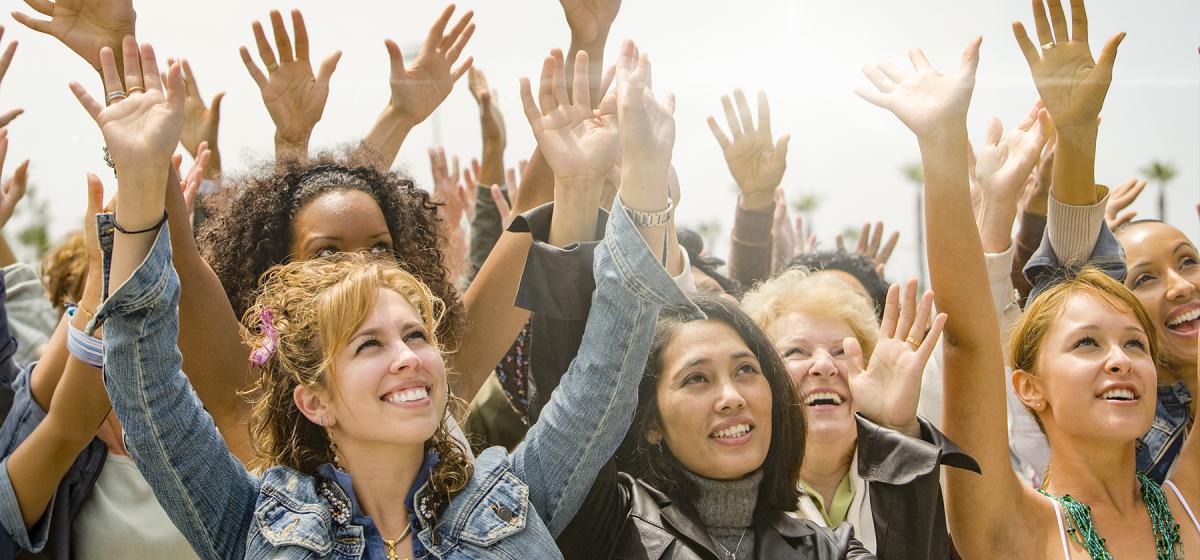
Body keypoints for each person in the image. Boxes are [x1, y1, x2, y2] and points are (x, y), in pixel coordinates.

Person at [71, 37, 693, 558]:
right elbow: (143, 380)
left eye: (417, 335)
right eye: (369, 343)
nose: (408, 358)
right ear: (312, 397)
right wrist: (142, 183)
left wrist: (641, 182)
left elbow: (608, 368)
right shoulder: (248, 520)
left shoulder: (512, 500)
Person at [856, 0, 1200, 556]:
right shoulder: (1016, 529)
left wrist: (1079, 132)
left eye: (1135, 343)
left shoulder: (1190, 503)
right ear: (1027, 387)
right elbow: (969, 339)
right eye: (1087, 343)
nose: (1120, 360)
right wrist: (941, 147)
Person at [742, 271, 976, 558]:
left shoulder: (927, 469)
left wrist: (896, 430)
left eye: (842, 351)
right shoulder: (736, 496)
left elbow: (974, 336)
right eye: (797, 352)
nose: (824, 365)